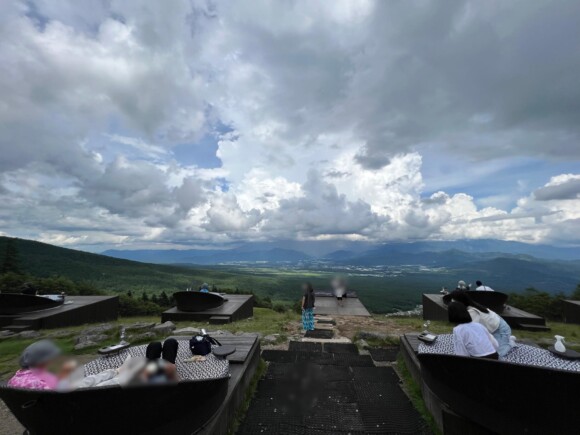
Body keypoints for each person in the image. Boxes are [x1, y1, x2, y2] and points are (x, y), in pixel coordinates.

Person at [444, 290, 514, 357]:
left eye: (453, 300)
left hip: (500, 330)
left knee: (499, 354)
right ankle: (506, 340)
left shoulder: (472, 312)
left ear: (460, 301)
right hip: (492, 327)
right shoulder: (471, 305)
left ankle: (510, 342)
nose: (452, 302)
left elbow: (473, 333)